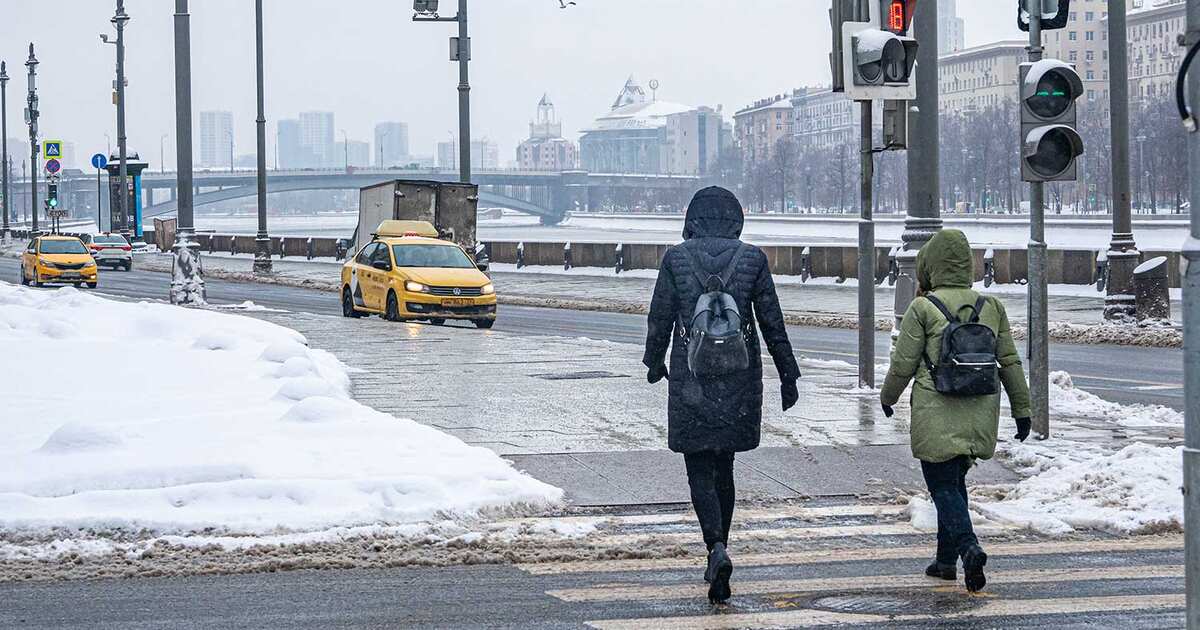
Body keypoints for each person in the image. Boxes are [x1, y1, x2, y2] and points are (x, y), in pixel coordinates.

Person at [643, 186, 800, 605]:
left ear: (693, 219)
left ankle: (714, 546)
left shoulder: (676, 258)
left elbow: (659, 315)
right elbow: (772, 321)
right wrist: (789, 374)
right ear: (735, 221)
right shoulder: (753, 259)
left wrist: (653, 360)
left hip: (691, 377)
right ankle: (722, 547)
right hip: (738, 377)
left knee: (699, 467)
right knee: (725, 465)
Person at [880, 229, 1032, 594]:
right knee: (954, 483)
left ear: (930, 266)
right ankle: (945, 560)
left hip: (937, 407)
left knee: (942, 484)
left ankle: (968, 547)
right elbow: (1009, 361)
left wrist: (888, 397)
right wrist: (1023, 410)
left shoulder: (923, 307)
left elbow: (904, 363)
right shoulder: (990, 307)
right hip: (980, 406)